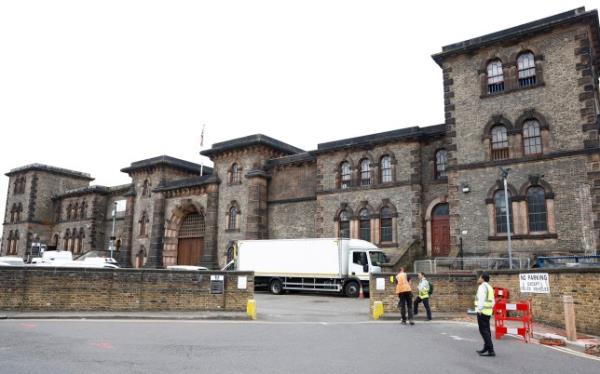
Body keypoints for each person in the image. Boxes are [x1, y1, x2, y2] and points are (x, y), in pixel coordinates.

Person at [475, 272, 495, 357]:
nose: (479, 279)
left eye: (480, 277)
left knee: (483, 331)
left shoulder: (482, 287)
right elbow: (493, 301)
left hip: (482, 312)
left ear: (482, 278)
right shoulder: (489, 287)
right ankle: (486, 347)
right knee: (487, 331)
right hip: (488, 312)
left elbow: (481, 299)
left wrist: (479, 309)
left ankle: (490, 350)